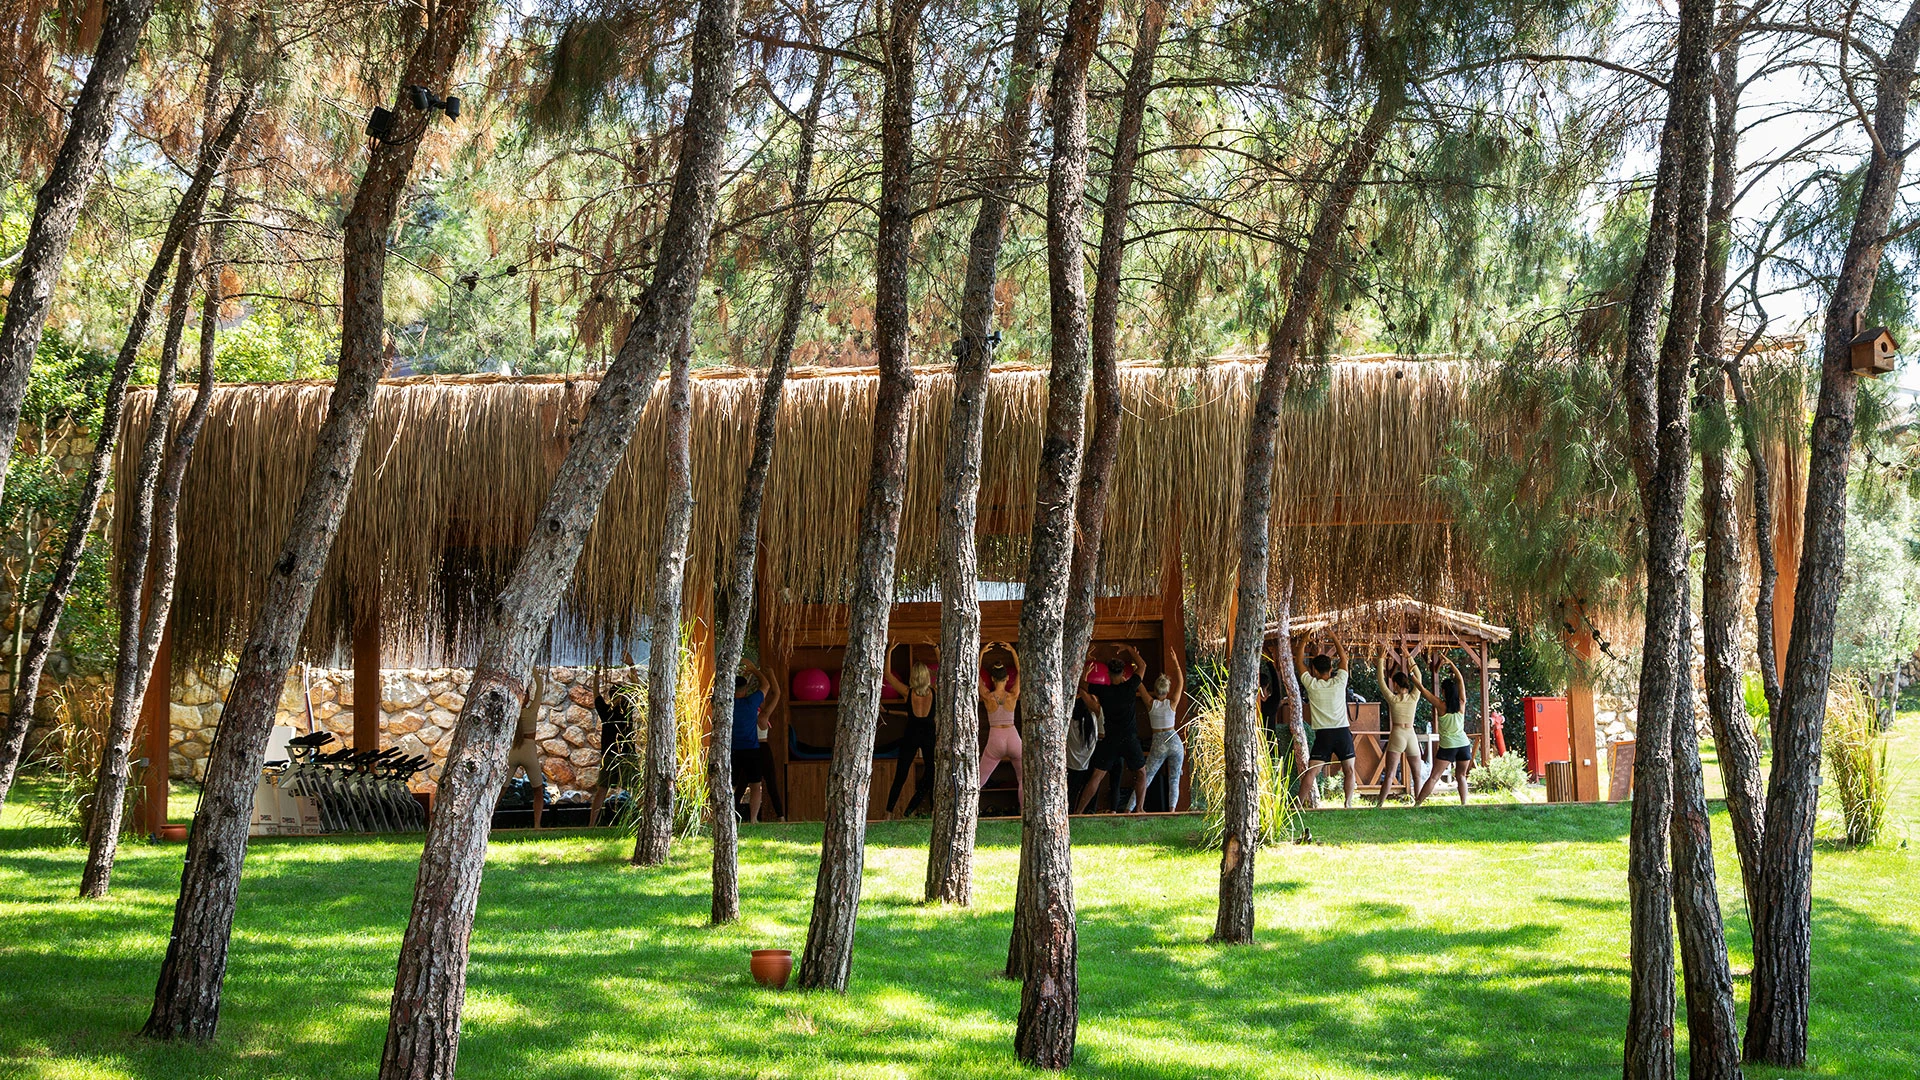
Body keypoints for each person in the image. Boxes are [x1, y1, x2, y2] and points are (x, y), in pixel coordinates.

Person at [1073, 643, 1149, 814]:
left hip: (1111, 740)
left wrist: (1085, 668)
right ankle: (1139, 809)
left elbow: (1082, 685)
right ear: (1123, 674)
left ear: (1108, 674)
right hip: (1129, 739)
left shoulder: (1103, 691)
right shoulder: (1130, 687)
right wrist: (1129, 649)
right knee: (1142, 773)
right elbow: (1143, 666)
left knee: (1097, 776)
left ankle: (1078, 812)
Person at [1295, 632, 1356, 808]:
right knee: (1349, 770)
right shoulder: (1340, 682)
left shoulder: (1312, 685)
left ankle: (1298, 804)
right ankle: (1348, 803)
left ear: (1314, 670)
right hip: (1342, 731)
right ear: (1331, 669)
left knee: (1312, 772)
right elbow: (1344, 659)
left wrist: (1304, 639)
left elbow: (1299, 662)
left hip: (1324, 734)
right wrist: (1334, 637)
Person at [883, 644, 937, 818]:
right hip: (928, 736)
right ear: (927, 676)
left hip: (911, 735)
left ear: (913, 677)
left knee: (901, 774)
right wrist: (936, 648)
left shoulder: (908, 692)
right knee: (931, 773)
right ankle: (932, 811)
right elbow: (945, 672)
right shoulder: (934, 692)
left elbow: (888, 675)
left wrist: (889, 652)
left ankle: (888, 813)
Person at [1414, 650, 1473, 806]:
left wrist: (1413, 678)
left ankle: (1418, 804)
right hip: (1464, 744)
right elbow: (1460, 680)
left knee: (1434, 777)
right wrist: (1452, 664)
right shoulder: (1461, 703)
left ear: (1444, 692)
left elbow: (1424, 691)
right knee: (1461, 776)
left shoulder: (1441, 706)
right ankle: (1464, 804)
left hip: (1448, 746)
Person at [1373, 641, 1424, 807]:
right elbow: (1419, 676)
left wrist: (1381, 659)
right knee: (1417, 775)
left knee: (1390, 774)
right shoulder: (1414, 697)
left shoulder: (1393, 699)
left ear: (1395, 684)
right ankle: (1418, 804)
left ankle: (1380, 805)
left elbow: (1380, 680)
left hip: (1397, 734)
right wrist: (1409, 657)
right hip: (1411, 734)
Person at [1138, 646, 1186, 813]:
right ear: (1167, 690)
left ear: (1156, 689)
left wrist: (1136, 666)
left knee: (1146, 777)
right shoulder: (1172, 703)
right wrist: (1176, 663)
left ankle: (1131, 808)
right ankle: (1172, 810)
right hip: (1174, 740)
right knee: (1174, 779)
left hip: (1158, 741)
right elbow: (1180, 683)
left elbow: (1139, 684)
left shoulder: (1150, 703)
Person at [732, 659, 779, 823]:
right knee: (755, 785)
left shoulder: (726, 704)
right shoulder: (751, 703)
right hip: (752, 749)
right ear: (745, 690)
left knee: (732, 786)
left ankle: (729, 817)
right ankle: (753, 819)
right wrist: (753, 669)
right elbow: (766, 685)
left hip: (733, 750)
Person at [977, 642, 1023, 811]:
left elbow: (975, 674)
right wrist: (1013, 652)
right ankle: (1024, 813)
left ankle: (967, 811)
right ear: (1007, 678)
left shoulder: (987, 696)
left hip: (995, 738)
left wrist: (981, 653)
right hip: (1013, 736)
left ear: (992, 679)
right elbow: (1021, 672)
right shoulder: (1013, 695)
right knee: (1023, 780)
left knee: (978, 781)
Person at [505, 671, 548, 827]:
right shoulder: (531, 710)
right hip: (529, 751)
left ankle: (488, 822)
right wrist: (533, 669)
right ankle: (537, 825)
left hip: (512, 751)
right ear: (527, 697)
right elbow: (540, 685)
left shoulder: (509, 712)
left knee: (501, 790)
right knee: (538, 791)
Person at [1066, 688, 1104, 807]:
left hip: (1071, 765)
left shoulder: (1070, 722)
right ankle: (1087, 810)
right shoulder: (1092, 718)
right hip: (1088, 764)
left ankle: (1070, 811)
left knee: (1070, 794)